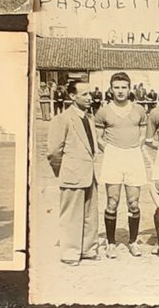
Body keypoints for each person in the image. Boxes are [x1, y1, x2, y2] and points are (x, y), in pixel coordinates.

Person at [93, 72, 148, 257]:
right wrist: (109, 150)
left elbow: (143, 132)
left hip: (133, 155)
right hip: (113, 156)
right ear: (111, 89)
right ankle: (110, 243)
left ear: (129, 88)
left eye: (124, 87)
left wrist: (136, 146)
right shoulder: (103, 111)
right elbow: (98, 138)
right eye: (116, 87)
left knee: (133, 203)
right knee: (112, 202)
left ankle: (133, 242)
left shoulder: (139, 110)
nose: (120, 91)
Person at [48, 80, 101, 265]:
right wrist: (64, 170)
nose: (90, 98)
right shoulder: (61, 120)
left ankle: (88, 249)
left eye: (90, 94)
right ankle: (70, 253)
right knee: (71, 215)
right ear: (72, 96)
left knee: (90, 214)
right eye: (84, 94)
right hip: (72, 174)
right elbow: (54, 152)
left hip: (90, 174)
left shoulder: (89, 118)